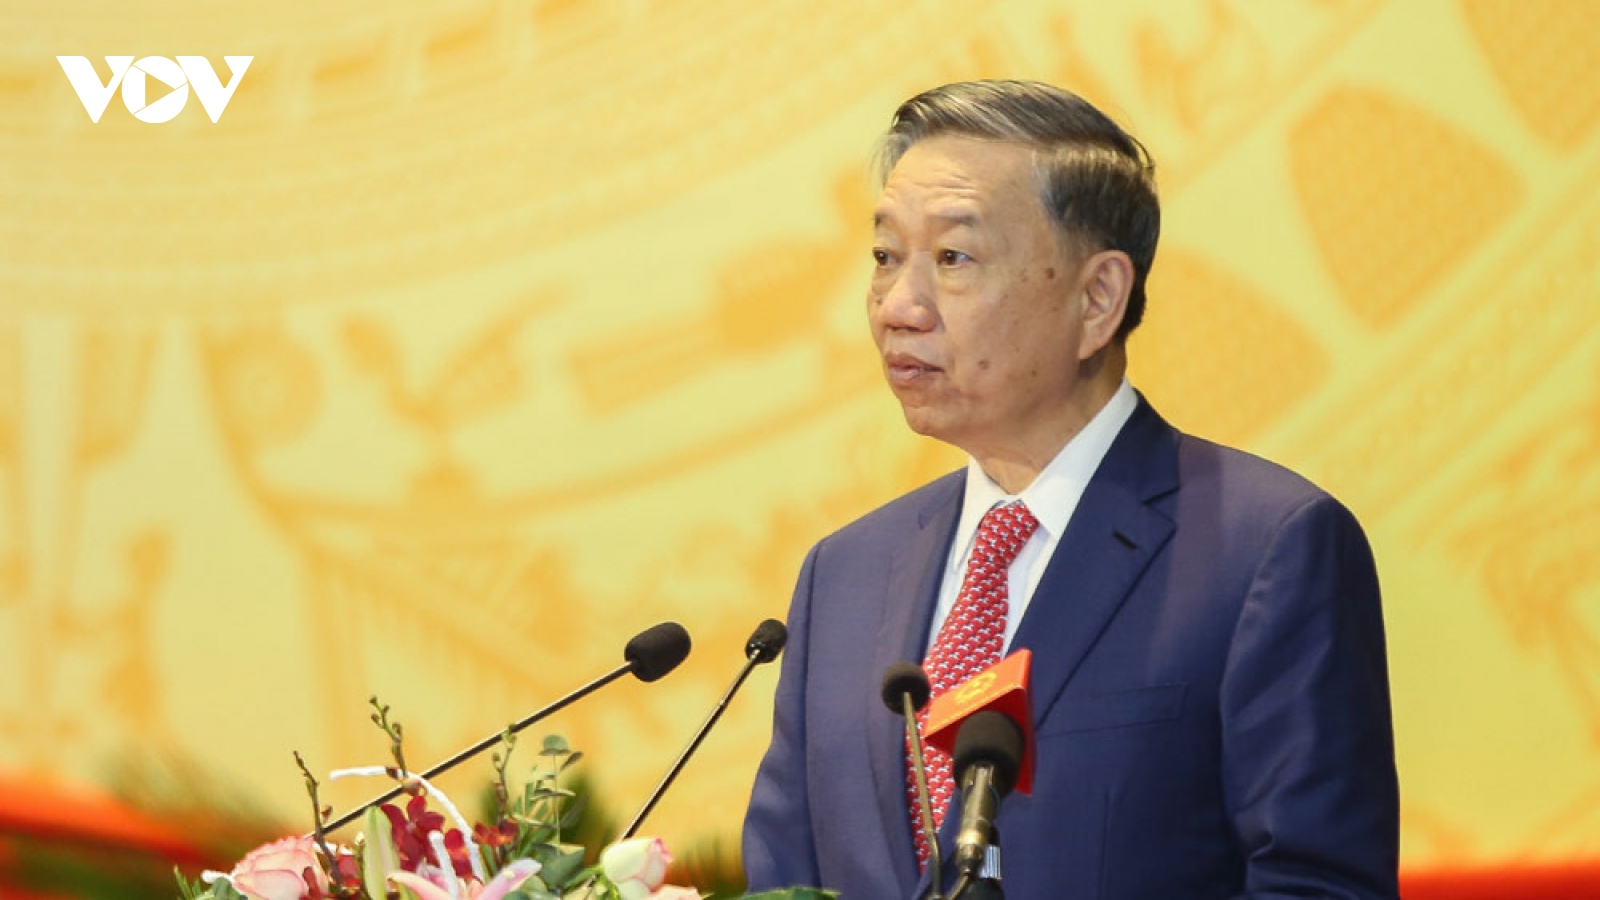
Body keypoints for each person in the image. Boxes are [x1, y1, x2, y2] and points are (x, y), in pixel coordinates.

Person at [741, 80, 1399, 899]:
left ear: (1097, 299)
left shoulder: (1265, 550)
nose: (898, 307)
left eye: (952, 258)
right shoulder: (843, 575)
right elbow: (785, 877)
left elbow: (1316, 886)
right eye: (884, 258)